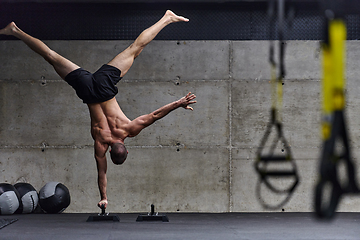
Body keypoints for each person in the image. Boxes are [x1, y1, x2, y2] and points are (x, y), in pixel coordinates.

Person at [0, 10, 196, 209]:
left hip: (105, 87)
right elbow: (102, 173)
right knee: (50, 56)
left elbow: (155, 115)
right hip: (87, 92)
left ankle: (167, 18)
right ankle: (16, 31)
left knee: (135, 48)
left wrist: (178, 103)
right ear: (110, 151)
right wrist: (104, 197)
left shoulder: (129, 129)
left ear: (126, 149)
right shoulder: (101, 144)